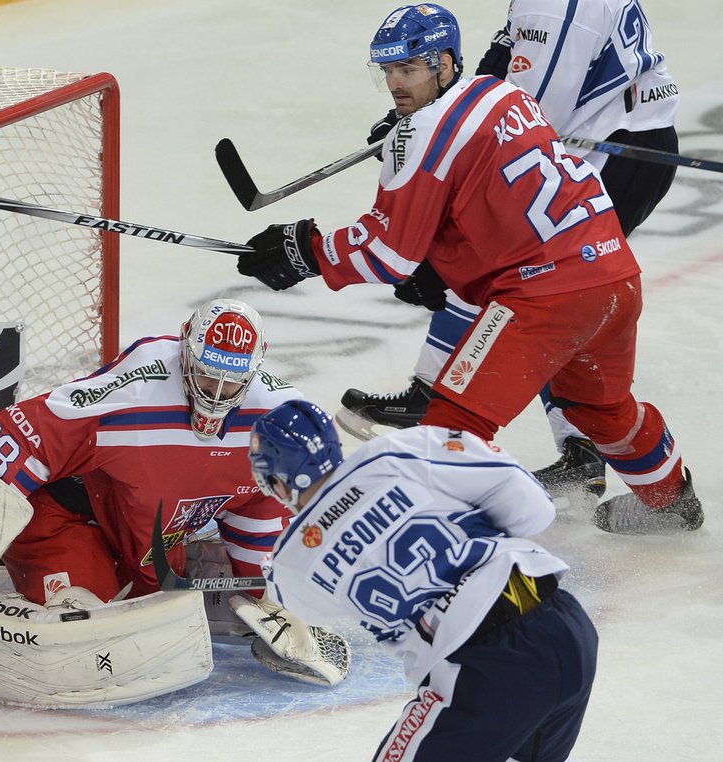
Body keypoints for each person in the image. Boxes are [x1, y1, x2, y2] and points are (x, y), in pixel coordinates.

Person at [235, 3, 702, 535]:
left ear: (444, 63)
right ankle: (671, 503)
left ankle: (468, 558)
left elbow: (388, 253)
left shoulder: (420, 136)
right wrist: (441, 262)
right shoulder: (508, 95)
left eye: (407, 69)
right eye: (387, 70)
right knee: (602, 411)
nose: (395, 83)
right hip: (615, 277)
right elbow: (493, 209)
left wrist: (304, 250)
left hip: (545, 299)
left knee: (452, 429)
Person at [0, 298, 351, 708]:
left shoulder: (275, 422)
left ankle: (139, 575)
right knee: (85, 631)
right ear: (184, 353)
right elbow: (12, 434)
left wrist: (262, 592)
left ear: (256, 370)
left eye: (232, 380)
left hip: (150, 528)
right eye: (206, 373)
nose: (217, 392)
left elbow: (261, 504)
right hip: (67, 514)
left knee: (157, 609)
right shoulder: (137, 392)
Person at [338, 0, 680, 505]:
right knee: (515, 268)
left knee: (538, 280)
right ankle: (436, 388)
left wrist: (432, 128)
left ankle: (577, 446)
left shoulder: (554, 7)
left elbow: (526, 110)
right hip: (603, 129)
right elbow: (502, 64)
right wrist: (427, 110)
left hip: (615, 145)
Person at [247, 399, 598, 761]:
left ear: (276, 479)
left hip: (485, 667)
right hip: (562, 623)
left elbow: (308, 607)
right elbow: (534, 508)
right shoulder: (395, 452)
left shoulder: (291, 559)